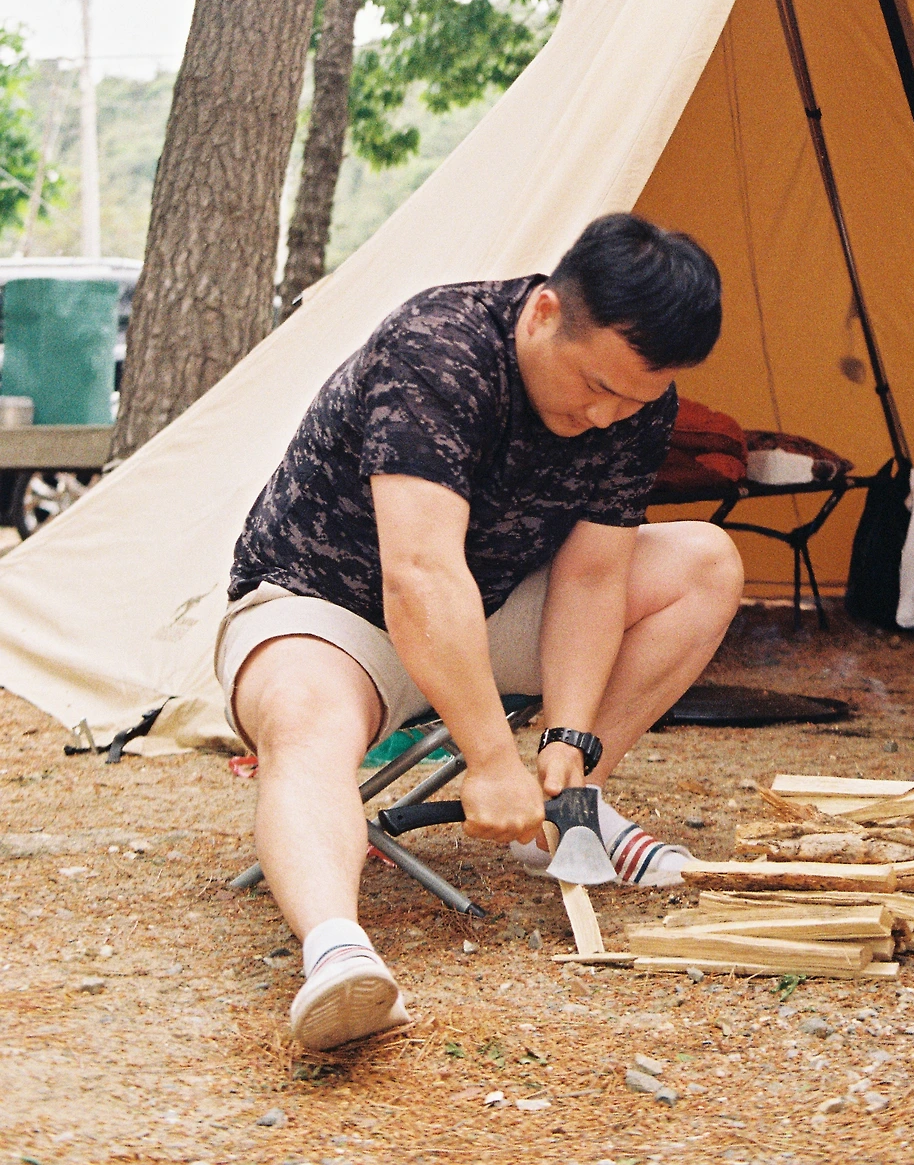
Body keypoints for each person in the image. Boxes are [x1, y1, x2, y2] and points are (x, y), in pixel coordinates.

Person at [215, 213, 742, 1051]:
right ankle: (337, 954)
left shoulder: (635, 401)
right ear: (544, 313)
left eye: (632, 400)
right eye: (595, 385)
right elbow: (420, 575)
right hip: (326, 609)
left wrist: (570, 733)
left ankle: (567, 809)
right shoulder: (439, 347)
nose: (606, 414)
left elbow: (592, 575)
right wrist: (492, 759)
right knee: (306, 715)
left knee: (705, 563)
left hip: (485, 602)